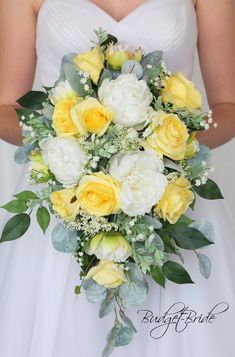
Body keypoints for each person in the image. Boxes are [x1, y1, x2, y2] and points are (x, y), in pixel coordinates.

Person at [0, 0, 235, 356]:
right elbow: (5, 109)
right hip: (65, 199)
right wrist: (70, 145)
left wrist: (167, 148)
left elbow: (228, 108)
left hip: (171, 198)